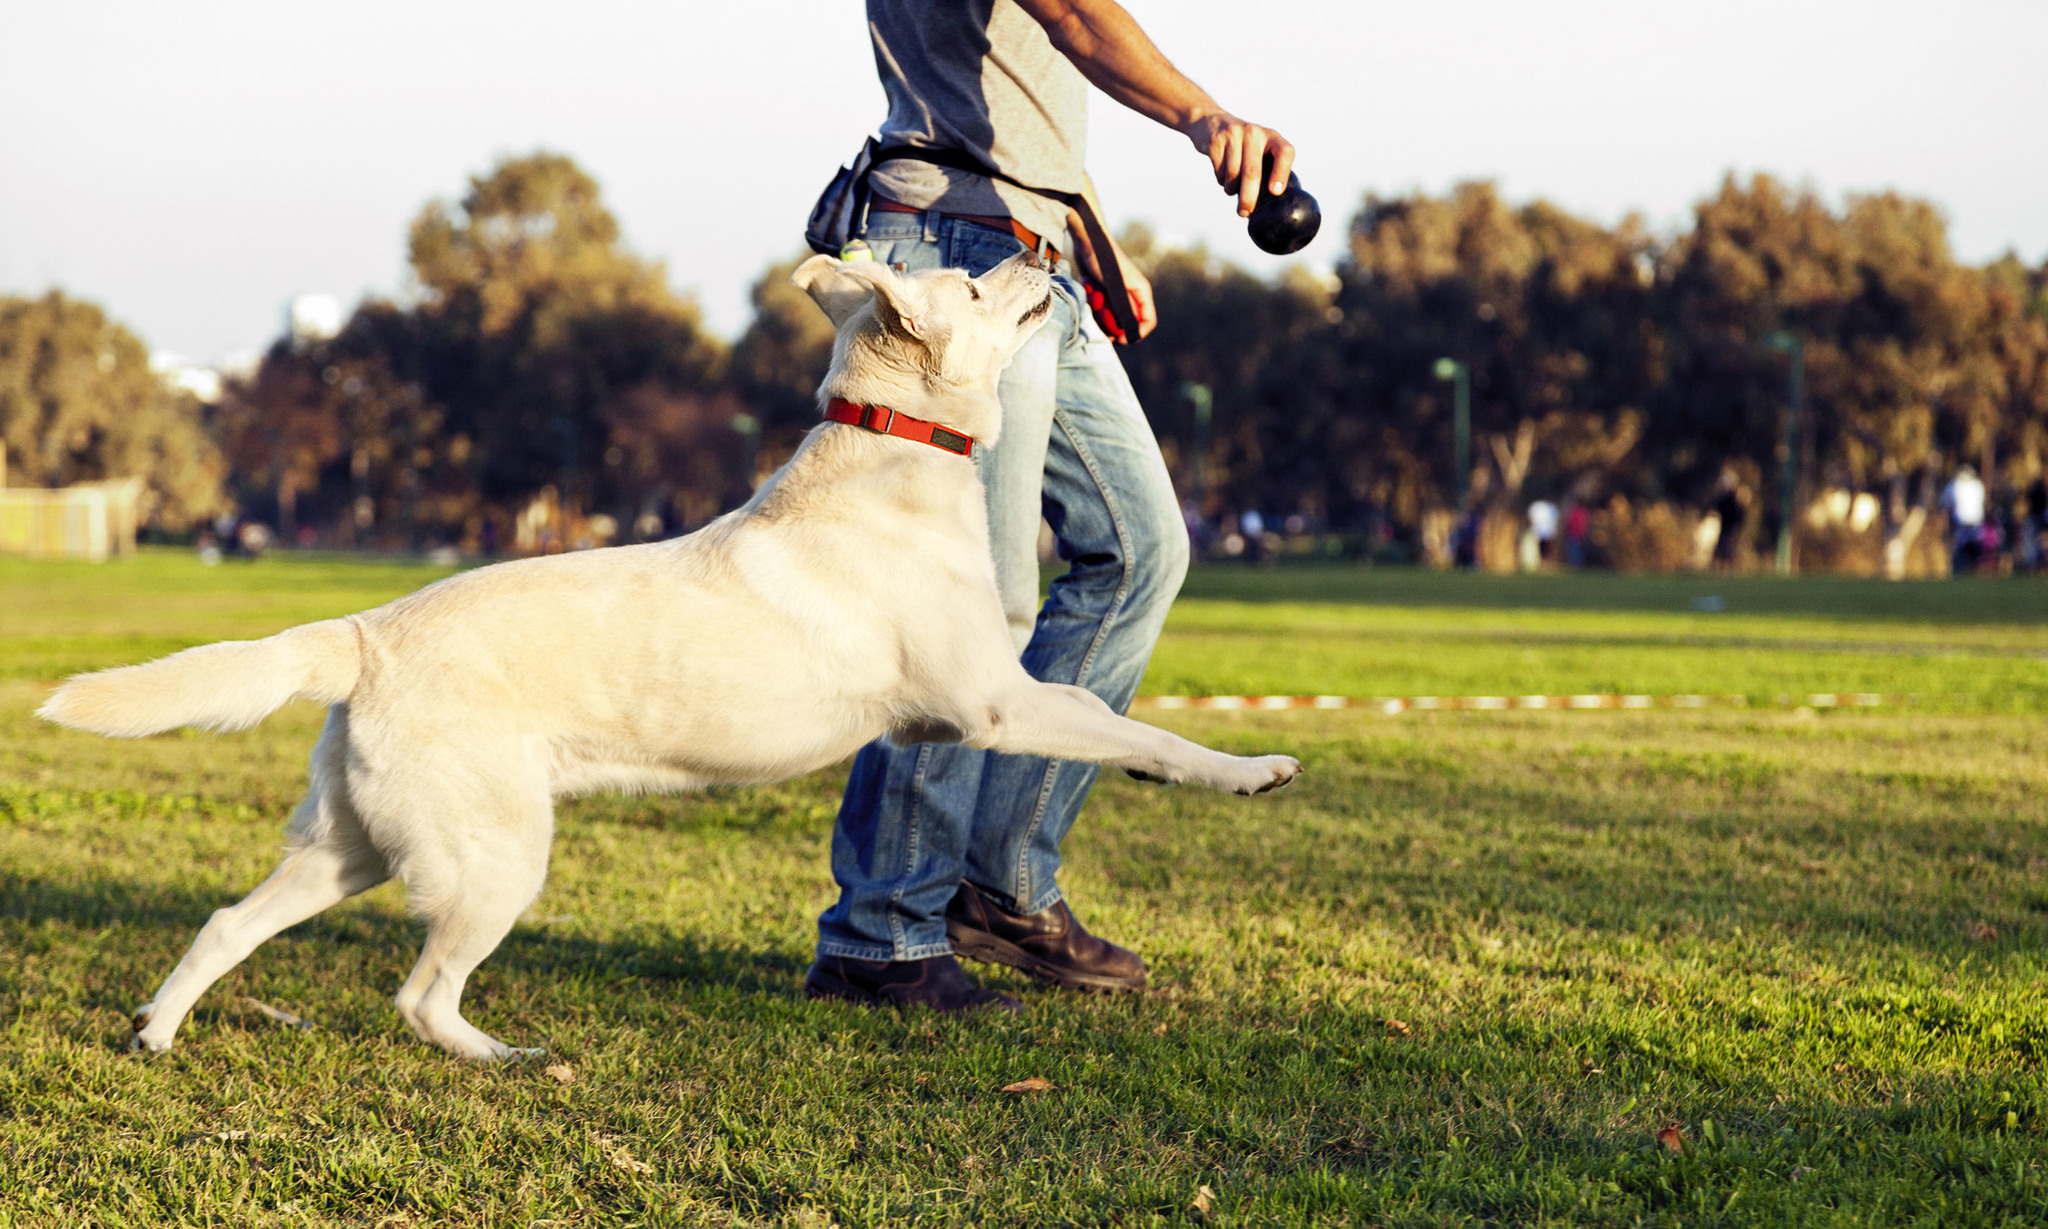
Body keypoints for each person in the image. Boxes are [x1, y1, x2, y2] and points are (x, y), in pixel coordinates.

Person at [803, 0, 1300, 1012]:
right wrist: (1203, 116)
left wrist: (1087, 233)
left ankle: (999, 883)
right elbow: (1072, 14)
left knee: (1140, 550)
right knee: (968, 614)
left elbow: (1015, 93)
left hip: (1032, 254)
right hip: (954, 258)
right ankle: (882, 933)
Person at [1941, 464, 1986, 573]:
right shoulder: (1978, 485)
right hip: (1975, 521)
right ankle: (1973, 569)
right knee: (1973, 547)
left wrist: (1945, 522)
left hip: (1961, 522)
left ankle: (1960, 569)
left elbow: (1944, 504)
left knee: (1961, 547)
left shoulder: (1954, 485)